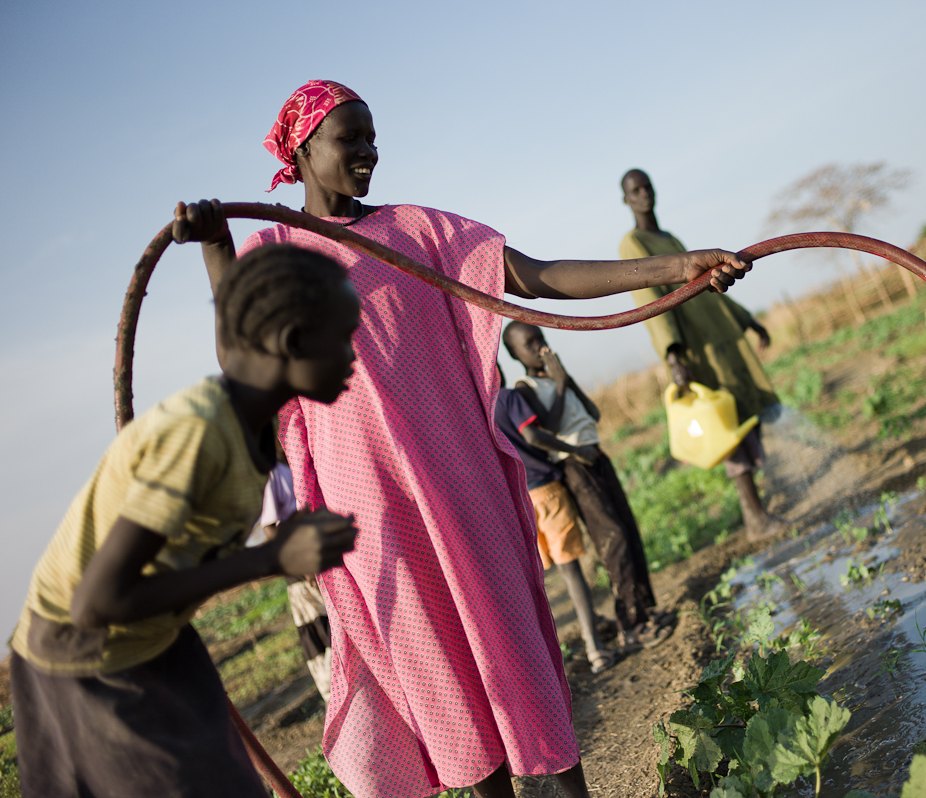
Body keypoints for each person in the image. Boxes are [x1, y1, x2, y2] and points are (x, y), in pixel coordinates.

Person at [171, 80, 751, 798]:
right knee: (444, 679)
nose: (369, 152)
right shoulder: (274, 248)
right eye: (350, 138)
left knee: (514, 654)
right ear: (302, 150)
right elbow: (242, 357)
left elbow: (535, 276)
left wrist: (674, 268)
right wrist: (216, 249)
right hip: (371, 509)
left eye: (373, 136)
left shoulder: (419, 232)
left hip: (461, 482)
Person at [7, 244, 360, 798]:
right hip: (87, 658)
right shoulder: (196, 433)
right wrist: (271, 559)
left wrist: (216, 241)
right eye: (344, 338)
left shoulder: (251, 420)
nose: (353, 357)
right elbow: (96, 603)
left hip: (159, 637)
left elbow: (242, 336)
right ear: (291, 343)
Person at [618, 168, 784, 540]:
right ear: (626, 199)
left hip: (720, 334)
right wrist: (673, 353)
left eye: (647, 186)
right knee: (727, 427)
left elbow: (707, 284)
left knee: (744, 416)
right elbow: (651, 299)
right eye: (635, 190)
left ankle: (760, 509)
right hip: (697, 347)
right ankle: (756, 519)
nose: (644, 194)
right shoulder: (634, 243)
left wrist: (746, 320)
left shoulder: (669, 237)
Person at [503, 322, 673, 651]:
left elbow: (592, 412)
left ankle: (645, 609)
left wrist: (567, 380)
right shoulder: (525, 389)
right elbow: (547, 428)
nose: (539, 346)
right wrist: (562, 384)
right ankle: (631, 625)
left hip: (596, 455)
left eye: (541, 338)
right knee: (613, 538)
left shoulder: (556, 377)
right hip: (573, 465)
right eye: (529, 343)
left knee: (628, 530)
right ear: (515, 354)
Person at [493, 365, 615, 674]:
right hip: (547, 491)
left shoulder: (478, 411)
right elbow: (533, 434)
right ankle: (595, 647)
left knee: (544, 578)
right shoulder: (507, 398)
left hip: (518, 501)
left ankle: (554, 655)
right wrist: (574, 449)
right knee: (571, 571)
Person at [259, 451, 334, 701]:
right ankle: (335, 702)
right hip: (303, 575)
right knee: (320, 638)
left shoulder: (300, 462)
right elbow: (270, 528)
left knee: (337, 630)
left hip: (322, 563)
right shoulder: (274, 474)